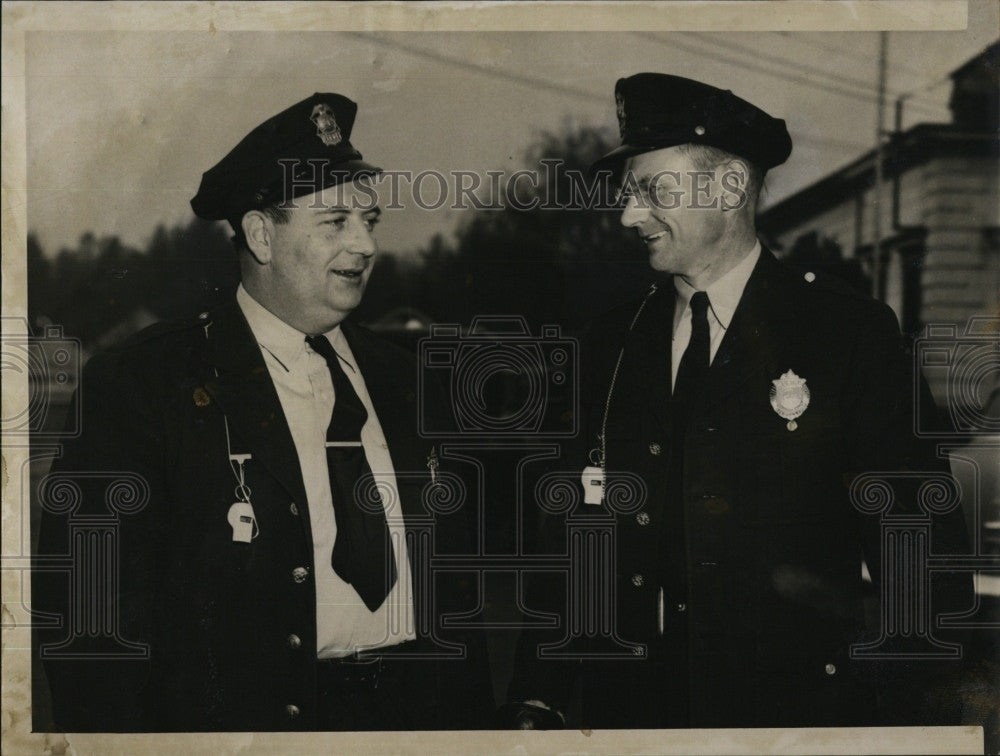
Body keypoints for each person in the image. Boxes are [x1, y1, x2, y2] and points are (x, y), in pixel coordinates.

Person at [504, 73, 973, 729]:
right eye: (627, 195)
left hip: (787, 723)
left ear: (728, 188)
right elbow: (572, 544)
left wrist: (879, 716)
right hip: (629, 717)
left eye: (651, 191)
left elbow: (922, 560)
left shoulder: (846, 337)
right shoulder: (610, 343)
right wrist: (540, 693)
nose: (628, 216)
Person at [34, 92, 490, 731]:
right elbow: (90, 619)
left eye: (370, 221)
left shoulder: (407, 378)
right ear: (259, 235)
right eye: (335, 222)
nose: (364, 245)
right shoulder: (149, 383)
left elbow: (458, 593)